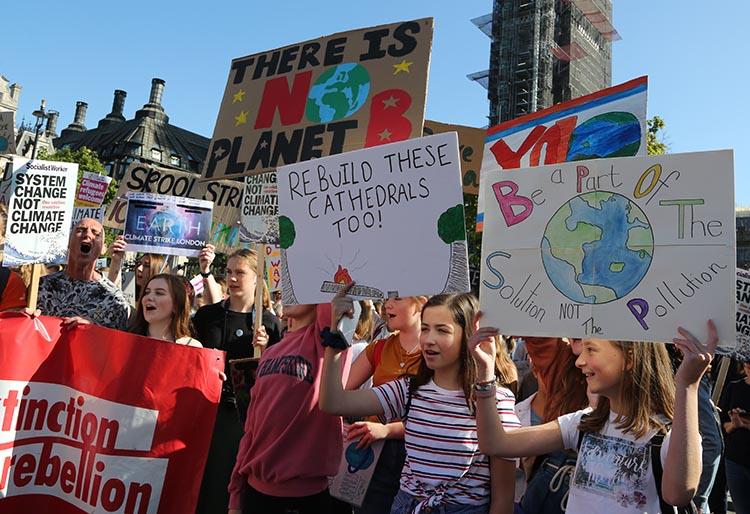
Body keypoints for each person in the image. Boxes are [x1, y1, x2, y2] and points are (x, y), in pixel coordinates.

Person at [471, 321, 718, 514]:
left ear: (630, 357)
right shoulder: (584, 423)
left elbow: (677, 494)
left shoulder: (671, 437)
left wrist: (687, 386)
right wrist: (485, 373)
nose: (579, 361)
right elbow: (495, 443)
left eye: (591, 349)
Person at [320, 289, 520, 514]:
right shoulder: (408, 390)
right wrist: (336, 336)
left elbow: (503, 499)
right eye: (425, 328)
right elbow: (333, 402)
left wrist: (485, 376)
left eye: (442, 330)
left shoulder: (495, 400)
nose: (429, 339)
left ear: (468, 334)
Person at [227, 300, 352, 514]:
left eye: (299, 287)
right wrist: (235, 494)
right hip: (256, 493)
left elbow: (327, 290)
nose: (290, 294)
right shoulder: (270, 352)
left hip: (304, 498)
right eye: (288, 287)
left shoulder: (325, 343)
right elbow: (251, 428)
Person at [192, 248, 282, 514]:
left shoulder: (270, 324)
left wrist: (266, 351)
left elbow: (278, 378)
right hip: (204, 409)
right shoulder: (207, 316)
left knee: (226, 482)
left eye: (240, 273)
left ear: (257, 278)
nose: (232, 278)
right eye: (229, 272)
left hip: (243, 417)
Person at [344, 295, 426, 514]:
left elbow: (434, 417)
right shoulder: (378, 348)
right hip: (374, 457)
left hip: (417, 459)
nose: (387, 304)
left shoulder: (436, 354)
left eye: (397, 298)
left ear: (422, 302)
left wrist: (387, 430)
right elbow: (339, 397)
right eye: (387, 298)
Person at [38, 218, 130, 329]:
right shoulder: (41, 286)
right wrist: (24, 316)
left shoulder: (114, 300)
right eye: (80, 230)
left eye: (96, 234)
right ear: (68, 242)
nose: (87, 235)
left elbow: (116, 343)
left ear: (103, 248)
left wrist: (92, 329)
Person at [129, 273, 201, 347]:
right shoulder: (127, 339)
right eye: (147, 292)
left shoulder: (191, 347)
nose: (149, 297)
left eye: (159, 293)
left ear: (176, 305)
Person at [718, 358, 750, 514]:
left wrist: (743, 424)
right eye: (747, 363)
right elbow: (723, 423)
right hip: (734, 460)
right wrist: (735, 424)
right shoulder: (734, 387)